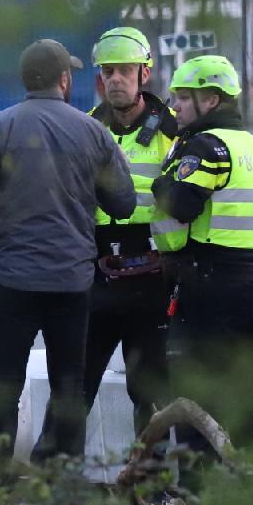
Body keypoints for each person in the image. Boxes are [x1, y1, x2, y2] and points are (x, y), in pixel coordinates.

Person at [0, 39, 136, 472]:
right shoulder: (93, 133)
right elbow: (124, 204)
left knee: (5, 388)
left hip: (13, 285)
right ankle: (63, 492)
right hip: (72, 285)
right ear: (65, 79)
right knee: (70, 388)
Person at [149, 53, 253, 445]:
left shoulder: (206, 147)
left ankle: (195, 488)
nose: (174, 106)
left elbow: (181, 205)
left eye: (182, 98)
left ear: (210, 100)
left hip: (208, 279)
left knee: (196, 382)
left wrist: (160, 182)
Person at [79, 26, 181, 439]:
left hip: (151, 276)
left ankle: (150, 487)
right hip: (95, 271)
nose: (115, 79)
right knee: (75, 385)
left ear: (144, 74)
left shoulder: (172, 132)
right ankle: (55, 483)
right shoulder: (83, 127)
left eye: (124, 70)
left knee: (150, 390)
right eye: (108, 71)